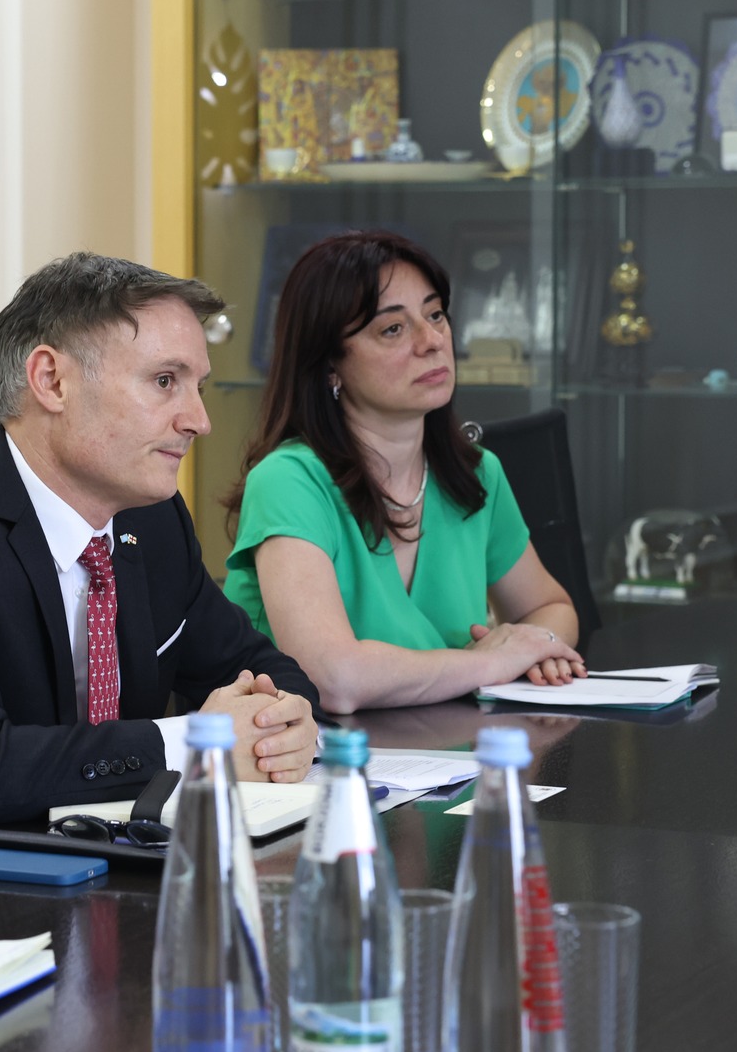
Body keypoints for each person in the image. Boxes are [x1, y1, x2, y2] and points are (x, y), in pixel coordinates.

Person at [0, 253, 321, 852]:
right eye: (164, 381)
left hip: (97, 856)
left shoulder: (151, 520)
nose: (199, 421)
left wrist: (285, 723)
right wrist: (198, 742)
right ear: (51, 381)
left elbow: (259, 667)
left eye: (197, 387)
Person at [222, 231, 585, 714]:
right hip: (317, 756)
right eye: (392, 329)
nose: (432, 341)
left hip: (448, 746)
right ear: (329, 365)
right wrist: (491, 662)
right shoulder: (289, 480)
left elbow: (551, 609)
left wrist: (536, 645)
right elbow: (332, 679)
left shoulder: (477, 473)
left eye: (435, 315)